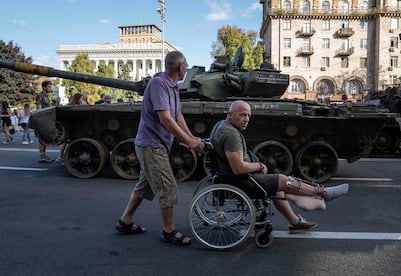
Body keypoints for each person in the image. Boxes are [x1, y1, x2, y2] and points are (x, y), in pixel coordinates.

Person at [210, 100, 349, 232]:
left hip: (234, 178)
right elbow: (238, 168)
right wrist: (258, 166)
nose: (246, 119)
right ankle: (323, 193)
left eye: (248, 116)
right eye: (242, 115)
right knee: (282, 180)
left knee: (278, 186)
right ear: (230, 114)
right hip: (241, 180)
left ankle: (295, 221)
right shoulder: (230, 134)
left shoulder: (222, 126)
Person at [116, 51, 204, 246]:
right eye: (185, 65)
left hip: (156, 144)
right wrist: (189, 143)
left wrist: (191, 137)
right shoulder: (159, 84)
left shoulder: (172, 87)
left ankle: (125, 221)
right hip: (151, 145)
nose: (186, 68)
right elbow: (165, 118)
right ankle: (168, 231)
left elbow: (177, 116)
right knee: (167, 187)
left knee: (144, 185)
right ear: (180, 67)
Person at [56, 93, 84, 164]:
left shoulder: (71, 106)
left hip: (71, 127)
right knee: (67, 143)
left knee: (66, 143)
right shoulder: (73, 107)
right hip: (71, 127)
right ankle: (62, 158)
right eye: (81, 98)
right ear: (77, 99)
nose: (82, 100)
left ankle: (62, 157)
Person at [36, 80, 53, 163]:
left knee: (45, 139)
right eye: (49, 86)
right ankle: (42, 156)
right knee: (42, 139)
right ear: (44, 87)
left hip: (46, 119)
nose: (50, 88)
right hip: (42, 120)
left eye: (51, 86)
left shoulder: (46, 96)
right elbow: (38, 108)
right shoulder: (40, 95)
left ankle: (43, 155)